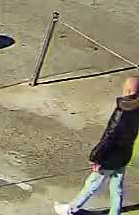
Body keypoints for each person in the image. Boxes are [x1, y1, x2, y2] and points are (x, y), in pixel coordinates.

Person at [57, 76, 139, 215]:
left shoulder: (122, 112)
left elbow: (109, 136)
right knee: (116, 187)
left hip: (110, 157)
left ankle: (70, 209)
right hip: (124, 154)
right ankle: (115, 212)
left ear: (128, 90)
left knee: (92, 184)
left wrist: (95, 157)